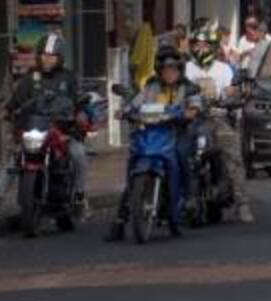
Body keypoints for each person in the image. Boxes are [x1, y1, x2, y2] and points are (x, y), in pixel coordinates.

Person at [106, 46, 202, 241]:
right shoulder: (151, 86)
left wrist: (190, 112)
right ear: (159, 71)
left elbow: (195, 105)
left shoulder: (189, 87)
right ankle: (120, 220)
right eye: (165, 70)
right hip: (152, 133)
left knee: (182, 155)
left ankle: (190, 198)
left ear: (180, 70)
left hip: (177, 132)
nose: (169, 73)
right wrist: (124, 111)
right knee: (134, 167)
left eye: (173, 69)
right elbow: (135, 103)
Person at [4, 33, 90, 216]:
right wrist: (6, 111)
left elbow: (80, 102)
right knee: (15, 159)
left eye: (51, 55)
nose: (47, 59)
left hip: (63, 132)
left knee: (79, 155)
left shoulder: (69, 78)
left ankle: (80, 196)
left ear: (59, 57)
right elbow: (15, 102)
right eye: (43, 55)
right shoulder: (30, 78)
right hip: (36, 131)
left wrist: (81, 113)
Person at [186, 22, 254, 223]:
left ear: (213, 47)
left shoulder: (223, 70)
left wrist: (231, 96)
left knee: (233, 156)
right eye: (197, 45)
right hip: (190, 121)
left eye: (205, 45)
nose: (201, 49)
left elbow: (232, 93)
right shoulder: (185, 69)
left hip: (217, 119)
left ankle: (242, 203)